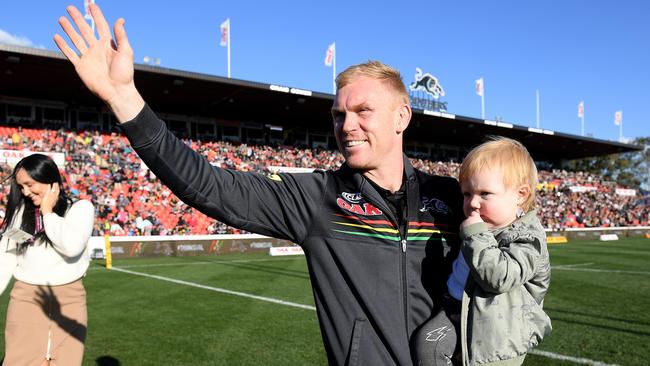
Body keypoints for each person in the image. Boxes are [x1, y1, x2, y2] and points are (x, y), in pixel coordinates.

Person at [54, 4, 464, 365]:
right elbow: (208, 184)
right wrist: (124, 97)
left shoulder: (454, 198)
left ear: (402, 117)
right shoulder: (318, 198)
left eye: (363, 111)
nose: (347, 126)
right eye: (338, 114)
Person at [413, 137, 552, 366]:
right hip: (453, 309)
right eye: (467, 194)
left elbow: (499, 277)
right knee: (427, 345)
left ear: (521, 195)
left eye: (485, 194)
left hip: (497, 338)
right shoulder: (478, 224)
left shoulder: (527, 238)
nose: (473, 203)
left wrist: (475, 234)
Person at [0, 154, 95, 366]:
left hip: (70, 301)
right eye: (21, 186)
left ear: (49, 178)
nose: (25, 192)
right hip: (26, 299)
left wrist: (47, 212)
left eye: (29, 184)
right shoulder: (21, 214)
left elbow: (71, 247)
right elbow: (5, 260)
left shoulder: (80, 209)